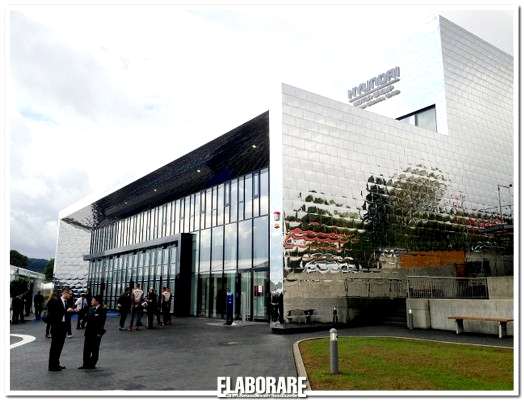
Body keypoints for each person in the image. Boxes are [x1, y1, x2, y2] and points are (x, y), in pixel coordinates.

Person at [47, 289, 73, 371]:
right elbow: (55, 313)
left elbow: (64, 315)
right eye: (69, 294)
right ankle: (52, 366)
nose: (70, 296)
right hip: (56, 328)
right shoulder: (55, 301)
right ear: (65, 293)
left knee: (59, 347)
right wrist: (66, 311)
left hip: (63, 327)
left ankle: (57, 364)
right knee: (54, 347)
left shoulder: (66, 302)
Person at [78, 295, 107, 370]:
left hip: (96, 333)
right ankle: (85, 364)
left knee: (95, 349)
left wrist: (99, 333)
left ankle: (92, 364)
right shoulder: (90, 308)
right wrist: (83, 321)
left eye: (93, 300)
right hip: (88, 332)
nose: (91, 301)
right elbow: (86, 317)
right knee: (86, 349)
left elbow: (101, 322)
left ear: (97, 301)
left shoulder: (102, 310)